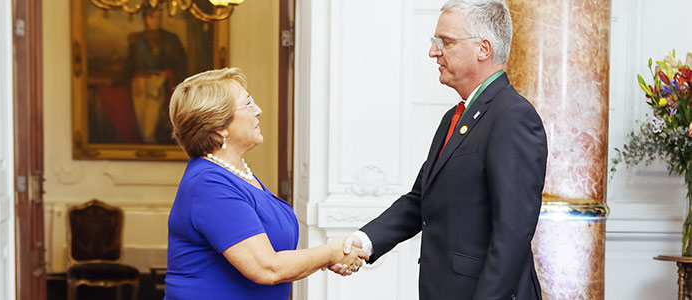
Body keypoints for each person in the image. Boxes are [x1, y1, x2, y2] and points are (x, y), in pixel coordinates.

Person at [332, 1, 548, 299]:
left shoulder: (512, 116)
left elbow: (512, 234)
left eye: (445, 42)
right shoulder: (455, 117)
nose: (433, 51)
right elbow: (420, 200)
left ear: (483, 49)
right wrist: (364, 242)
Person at [165, 68, 367, 300]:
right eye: (248, 104)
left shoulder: (235, 174)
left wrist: (326, 257)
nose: (258, 111)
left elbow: (275, 260)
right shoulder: (209, 184)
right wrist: (331, 253)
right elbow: (267, 268)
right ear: (219, 126)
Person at [122, 6, 187, 144]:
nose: (156, 21)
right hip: (139, 84)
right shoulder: (136, 40)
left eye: (158, 17)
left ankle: (149, 144)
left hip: (156, 82)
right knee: (140, 119)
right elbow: (129, 64)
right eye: (152, 17)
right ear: (145, 19)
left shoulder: (171, 39)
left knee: (149, 125)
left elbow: (179, 63)